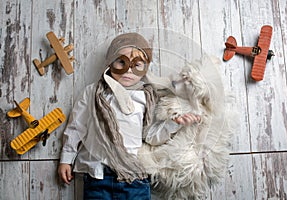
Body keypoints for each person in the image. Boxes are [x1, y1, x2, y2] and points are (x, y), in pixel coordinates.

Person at [58, 32, 200, 200]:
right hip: (97, 176)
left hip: (135, 178)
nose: (128, 70)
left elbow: (151, 136)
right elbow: (76, 127)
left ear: (145, 68)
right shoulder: (92, 93)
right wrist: (66, 159)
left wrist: (174, 123)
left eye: (137, 64)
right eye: (121, 62)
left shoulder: (147, 98)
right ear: (110, 62)